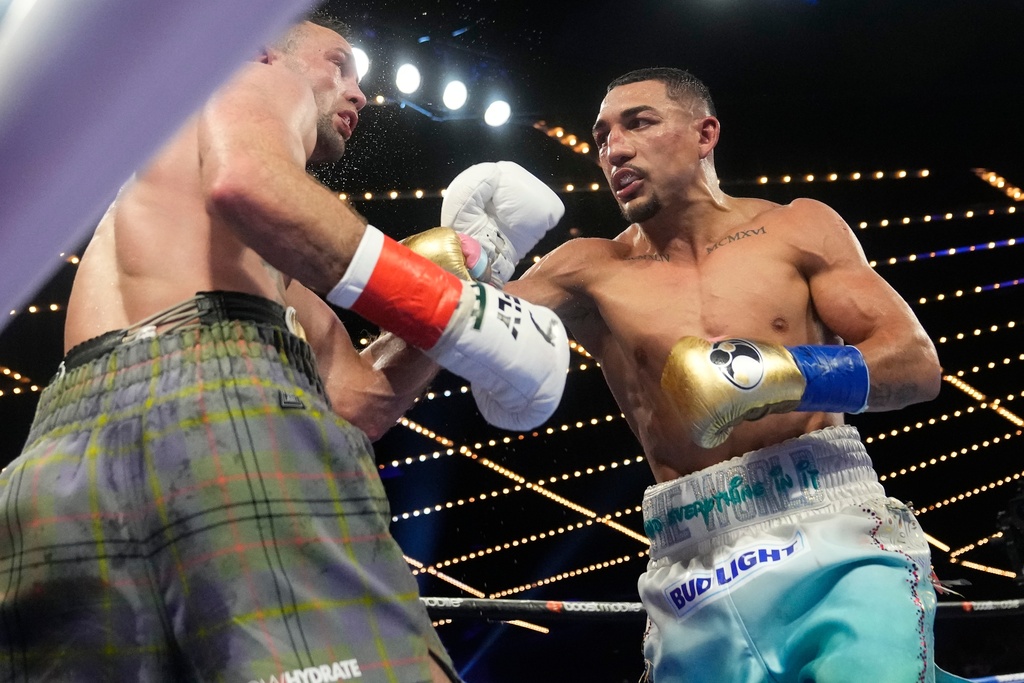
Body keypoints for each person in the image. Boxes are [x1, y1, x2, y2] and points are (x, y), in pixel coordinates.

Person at [0, 13, 568, 683]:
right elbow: (248, 182)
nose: (357, 92)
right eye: (338, 63)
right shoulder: (252, 76)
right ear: (267, 49)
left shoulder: (217, 245)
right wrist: (455, 309)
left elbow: (354, 401)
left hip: (57, 463)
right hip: (215, 408)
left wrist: (469, 281)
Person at [491, 67, 967, 682]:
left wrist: (777, 375)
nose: (615, 149)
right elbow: (447, 334)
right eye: (602, 137)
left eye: (638, 123)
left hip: (831, 528)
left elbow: (915, 365)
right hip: (692, 569)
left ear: (704, 134)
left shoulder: (798, 228)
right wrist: (470, 257)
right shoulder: (589, 269)